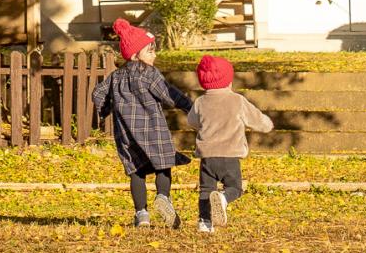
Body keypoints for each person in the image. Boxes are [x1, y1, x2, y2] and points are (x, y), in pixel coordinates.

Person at [90, 18, 193, 228]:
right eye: (150, 50)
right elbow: (169, 94)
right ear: (136, 54)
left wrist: (106, 111)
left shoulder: (115, 76)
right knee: (163, 167)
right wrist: (191, 108)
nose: (154, 54)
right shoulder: (149, 74)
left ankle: (142, 214)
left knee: (136, 172)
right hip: (154, 130)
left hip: (126, 135)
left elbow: (98, 94)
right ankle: (163, 197)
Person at [188, 53, 274, 232]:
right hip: (229, 155)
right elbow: (256, 119)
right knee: (235, 187)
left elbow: (192, 122)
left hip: (208, 157)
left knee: (205, 190)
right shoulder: (237, 100)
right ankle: (224, 198)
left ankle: (204, 223)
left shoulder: (200, 102)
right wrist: (268, 125)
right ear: (228, 80)